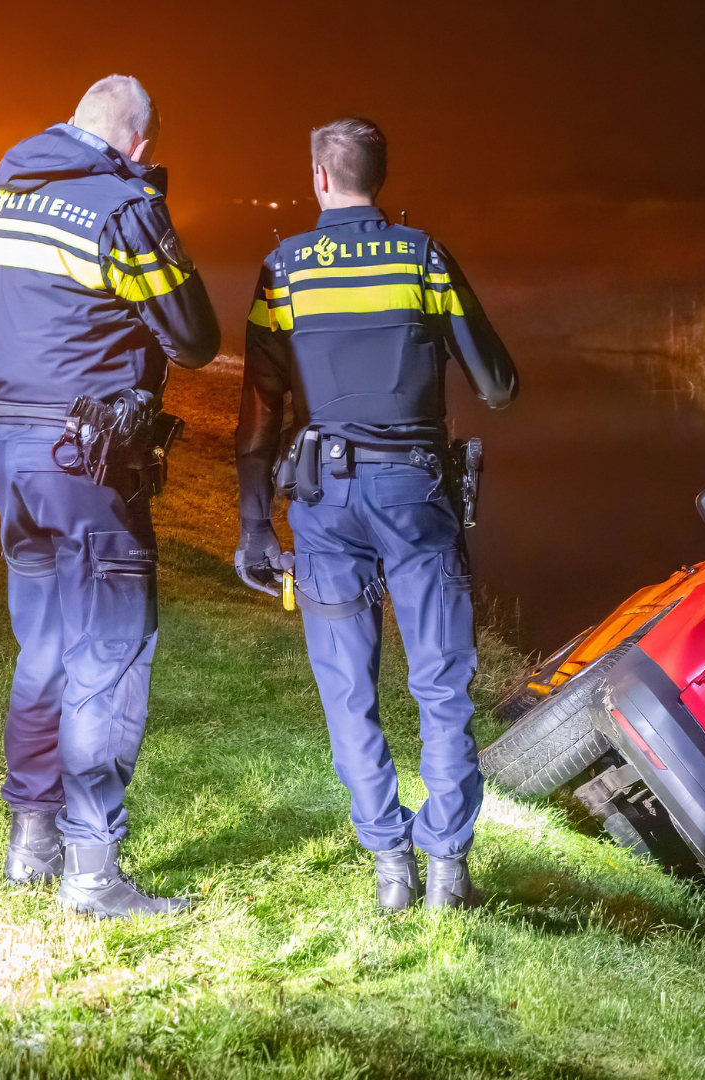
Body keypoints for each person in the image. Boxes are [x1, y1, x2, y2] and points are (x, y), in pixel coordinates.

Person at [0, 75, 220, 917]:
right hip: (90, 465)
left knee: (45, 651)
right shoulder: (123, 210)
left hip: (15, 461)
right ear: (137, 144)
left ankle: (30, 842)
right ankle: (93, 873)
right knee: (108, 654)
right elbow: (197, 339)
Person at [235, 117, 518, 909]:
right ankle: (448, 868)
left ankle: (392, 867)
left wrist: (256, 522)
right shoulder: (422, 256)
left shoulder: (282, 269)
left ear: (319, 178)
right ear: (377, 179)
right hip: (416, 498)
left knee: (346, 688)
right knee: (441, 683)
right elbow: (497, 384)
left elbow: (260, 411)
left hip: (324, 504)